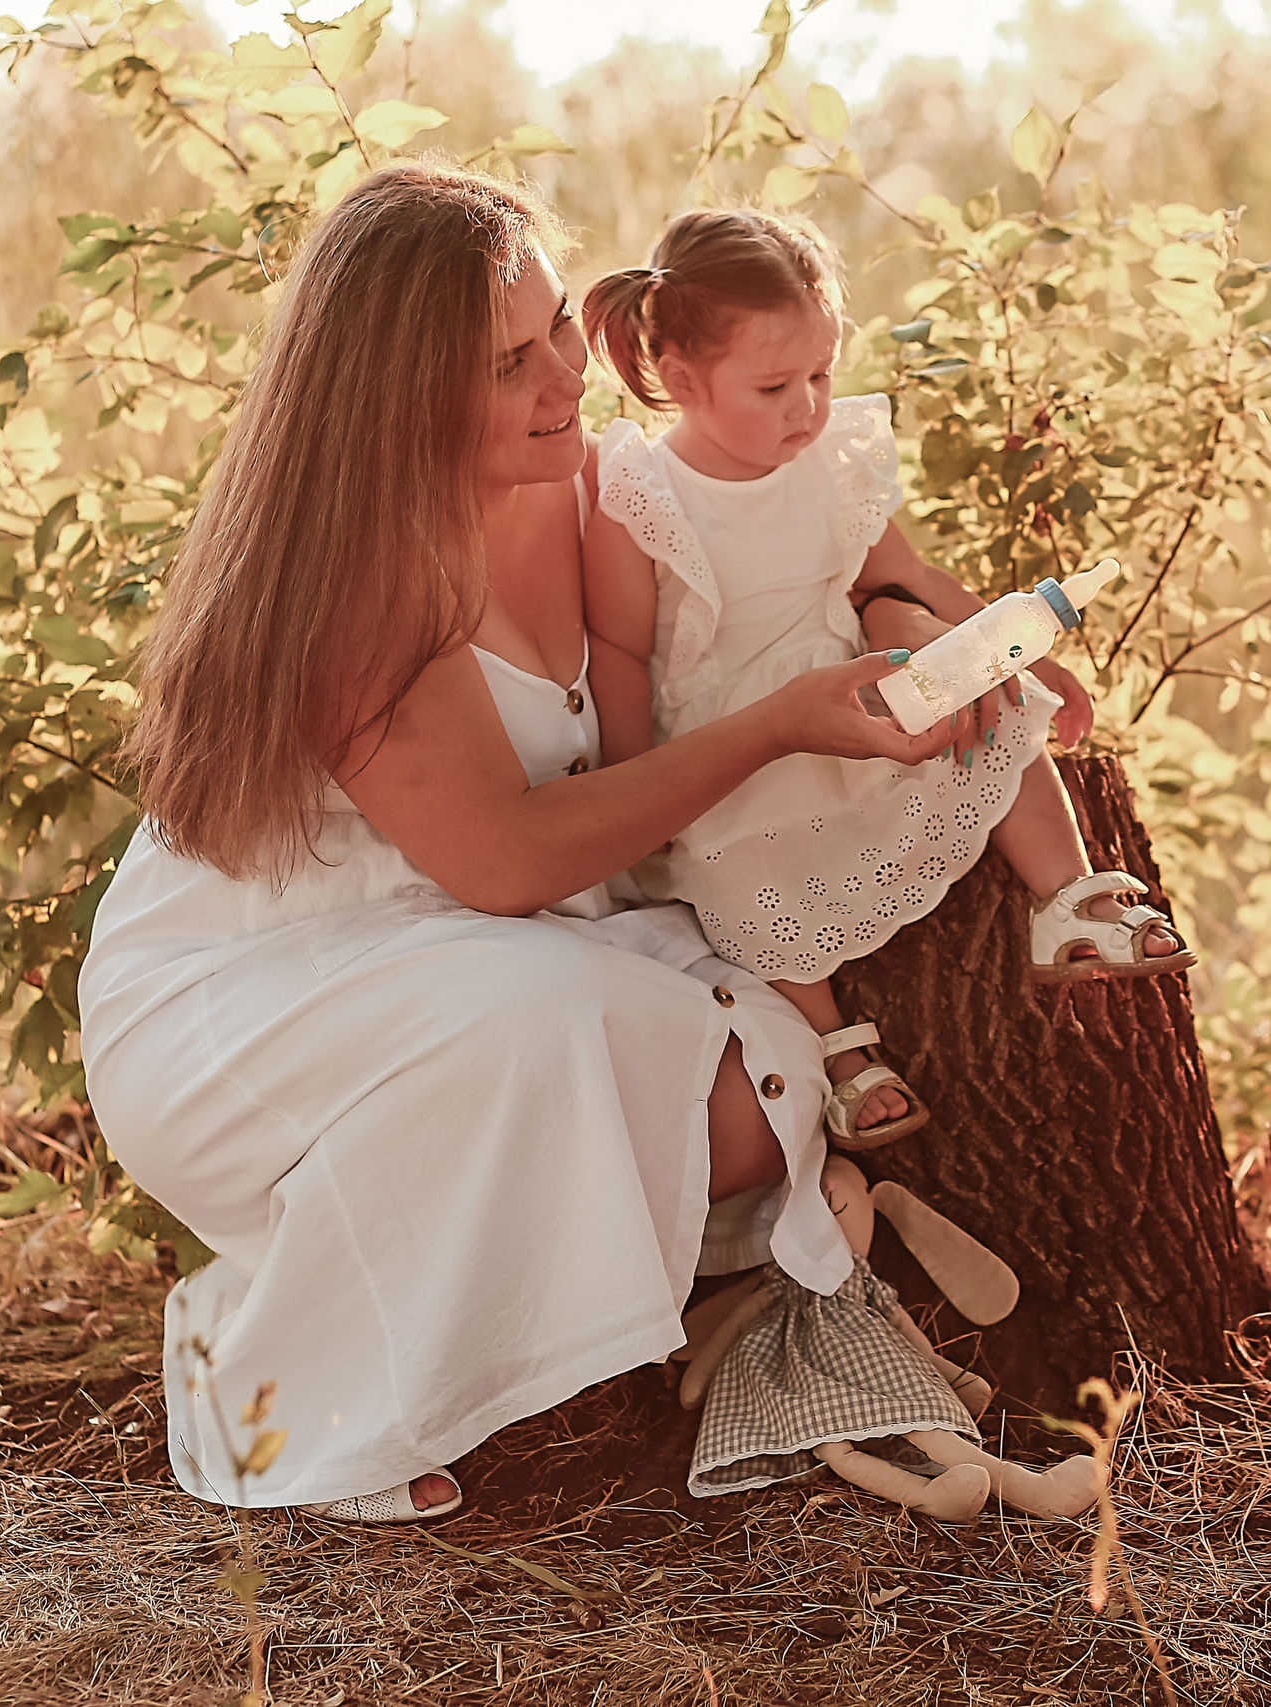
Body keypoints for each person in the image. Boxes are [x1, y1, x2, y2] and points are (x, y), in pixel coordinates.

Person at [76, 163, 951, 1523]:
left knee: (759, 1082)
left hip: (469, 942)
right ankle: (270, 1373)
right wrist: (779, 725)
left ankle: (414, 1285)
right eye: (510, 363)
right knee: (550, 1018)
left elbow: (823, 544)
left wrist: (933, 635)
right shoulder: (362, 580)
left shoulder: (590, 482)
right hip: (254, 993)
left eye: (556, 328)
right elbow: (505, 862)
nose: (564, 376)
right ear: (402, 398)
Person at [579, 207, 1194, 1152]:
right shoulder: (645, 498)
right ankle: (836, 1047)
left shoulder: (828, 461)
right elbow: (619, 650)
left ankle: (1071, 900)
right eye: (776, 384)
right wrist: (634, 782)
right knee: (741, 880)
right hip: (736, 750)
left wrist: (1020, 644)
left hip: (865, 697)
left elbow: (902, 578)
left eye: (823, 375)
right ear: (681, 378)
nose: (809, 407)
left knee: (1005, 717)